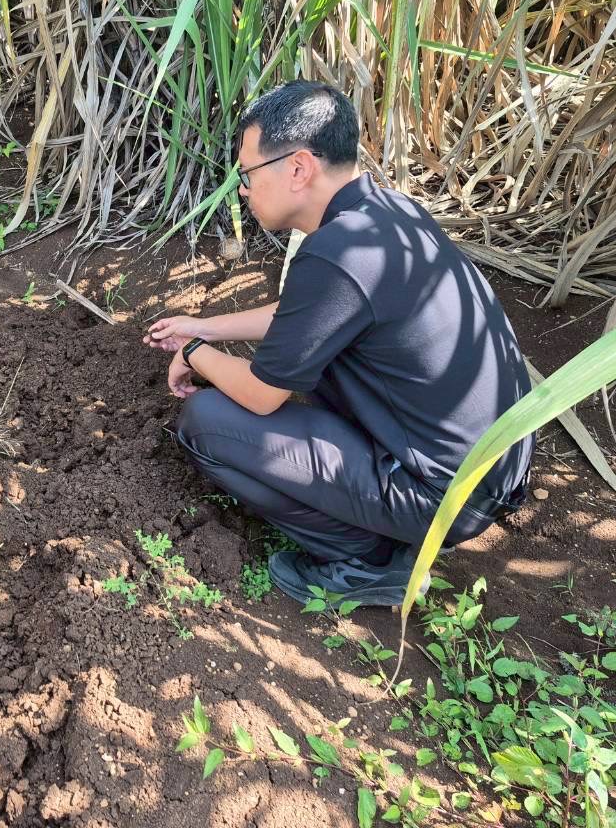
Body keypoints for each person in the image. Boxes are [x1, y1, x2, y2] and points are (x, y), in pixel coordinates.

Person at [144, 81, 533, 606]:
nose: (243, 190)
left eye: (247, 174)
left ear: (298, 168)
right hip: (484, 470)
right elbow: (307, 316)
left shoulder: (335, 253)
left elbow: (262, 396)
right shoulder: (386, 215)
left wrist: (194, 355)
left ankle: (369, 559)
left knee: (207, 422)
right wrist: (206, 327)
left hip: (439, 494)